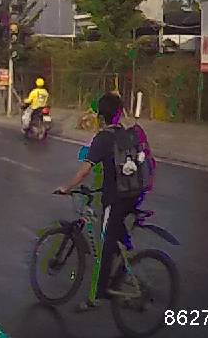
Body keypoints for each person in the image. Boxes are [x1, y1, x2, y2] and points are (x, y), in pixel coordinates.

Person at [54, 92, 139, 312]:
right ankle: (124, 273)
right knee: (118, 239)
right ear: (119, 114)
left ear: (101, 116)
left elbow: (84, 171)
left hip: (116, 199)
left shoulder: (103, 138)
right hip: (133, 195)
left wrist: (67, 187)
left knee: (105, 247)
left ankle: (97, 297)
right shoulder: (126, 134)